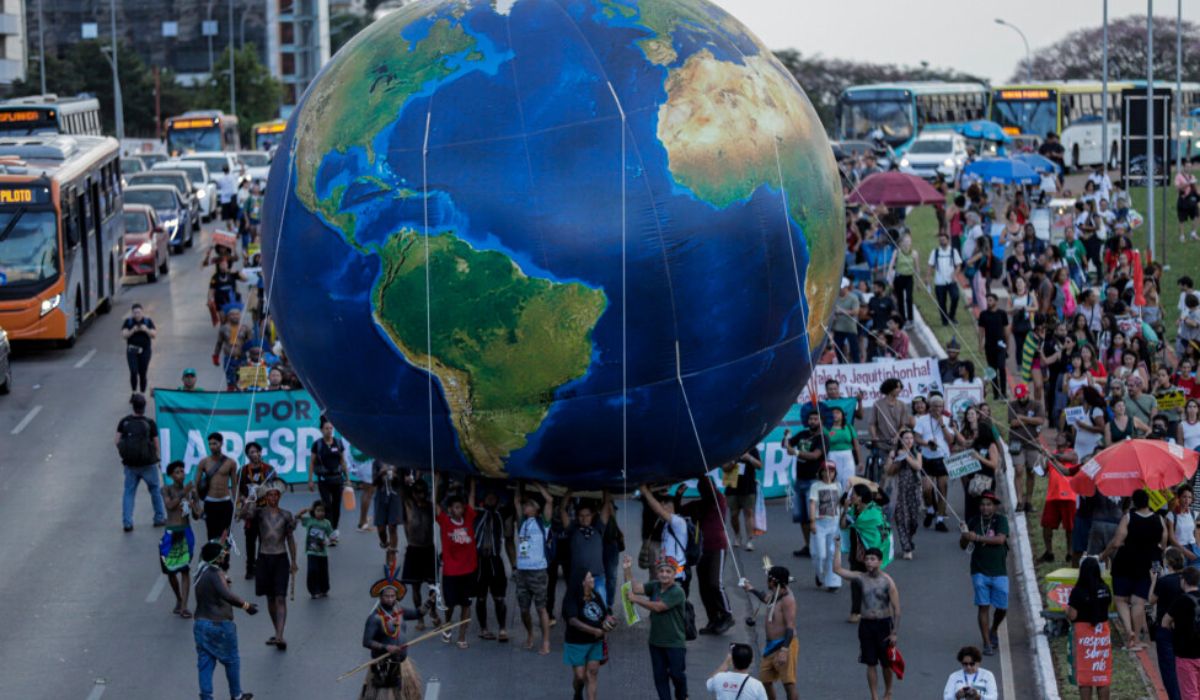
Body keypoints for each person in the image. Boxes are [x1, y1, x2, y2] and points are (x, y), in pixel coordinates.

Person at [1100, 489, 1167, 651]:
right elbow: (1163, 544)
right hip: (1147, 565)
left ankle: (1128, 631)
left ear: (1134, 503)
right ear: (1148, 502)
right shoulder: (1159, 519)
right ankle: (1136, 639)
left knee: (1120, 599)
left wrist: (1103, 555)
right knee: (1138, 602)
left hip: (1125, 562)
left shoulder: (1128, 517)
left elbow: (1117, 542)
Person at [833, 544, 901, 700]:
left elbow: (897, 609)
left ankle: (888, 692)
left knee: (886, 663)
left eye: (873, 559)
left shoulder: (887, 581)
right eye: (867, 559)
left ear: (880, 561)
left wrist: (894, 633)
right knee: (870, 662)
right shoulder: (860, 578)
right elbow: (837, 569)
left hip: (883, 624)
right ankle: (874, 696)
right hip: (866, 625)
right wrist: (837, 547)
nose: (869, 562)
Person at [192, 541, 257, 700]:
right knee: (232, 661)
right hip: (219, 625)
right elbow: (226, 595)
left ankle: (206, 696)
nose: (225, 557)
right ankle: (236, 695)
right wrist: (246, 605)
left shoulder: (201, 570)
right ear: (217, 558)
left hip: (200, 624)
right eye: (222, 555)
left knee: (205, 662)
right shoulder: (215, 574)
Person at [360, 564, 435, 700]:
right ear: (380, 597)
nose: (390, 599)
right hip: (383, 667)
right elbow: (367, 641)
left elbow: (418, 613)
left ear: (396, 596)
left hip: (402, 664)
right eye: (386, 596)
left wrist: (429, 602)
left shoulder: (399, 610)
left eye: (392, 596)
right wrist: (386, 647)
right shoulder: (374, 618)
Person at [623, 554, 688, 700]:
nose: (664, 574)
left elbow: (659, 607)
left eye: (668, 571)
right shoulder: (655, 586)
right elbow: (634, 588)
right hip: (656, 642)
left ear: (674, 574)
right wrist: (627, 569)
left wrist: (636, 599)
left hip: (674, 642)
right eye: (661, 571)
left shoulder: (677, 591)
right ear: (657, 573)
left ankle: (683, 696)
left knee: (677, 675)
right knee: (660, 678)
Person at [250, 479, 297, 650]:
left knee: (280, 597)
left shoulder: (286, 515)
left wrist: (294, 561)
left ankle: (279, 635)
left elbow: (290, 538)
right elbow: (245, 514)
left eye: (276, 495)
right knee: (270, 598)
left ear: (279, 497)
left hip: (280, 558)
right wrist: (252, 497)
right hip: (264, 558)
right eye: (270, 495)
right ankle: (277, 631)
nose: (273, 498)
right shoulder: (260, 513)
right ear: (266, 497)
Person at [960, 492, 1009, 656]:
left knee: (1002, 607)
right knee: (983, 606)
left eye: (989, 504)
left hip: (999, 570)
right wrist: (965, 536)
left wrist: (977, 538)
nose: (985, 507)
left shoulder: (1001, 520)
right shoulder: (973, 521)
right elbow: (963, 545)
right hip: (979, 570)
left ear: (994, 506)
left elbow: (1000, 540)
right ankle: (987, 643)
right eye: (982, 504)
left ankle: (994, 629)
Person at [685, 477, 734, 634]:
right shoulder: (698, 505)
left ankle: (727, 615)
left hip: (717, 547)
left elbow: (710, 489)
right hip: (702, 549)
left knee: (715, 583)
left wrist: (700, 474)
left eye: (706, 487)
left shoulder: (719, 500)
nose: (704, 490)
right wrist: (678, 494)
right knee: (704, 587)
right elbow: (678, 509)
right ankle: (713, 618)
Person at [740, 567, 798, 700]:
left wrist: (784, 650)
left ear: (772, 581)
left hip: (784, 644)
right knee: (765, 680)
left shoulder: (788, 600)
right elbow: (766, 599)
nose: (766, 582)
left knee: (788, 683)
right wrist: (751, 589)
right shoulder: (776, 593)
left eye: (768, 579)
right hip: (771, 646)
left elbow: (790, 626)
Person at [436, 481, 477, 650]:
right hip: (451, 572)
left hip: (468, 570)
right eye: (455, 508)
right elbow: (436, 504)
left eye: (460, 507)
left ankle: (462, 635)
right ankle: (447, 626)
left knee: (466, 604)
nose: (459, 510)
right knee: (450, 604)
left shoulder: (469, 518)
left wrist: (472, 482)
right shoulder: (445, 521)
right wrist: (438, 481)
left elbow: (471, 498)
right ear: (450, 509)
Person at [116, 393, 165, 532]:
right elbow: (156, 443)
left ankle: (127, 522)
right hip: (148, 464)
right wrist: (158, 458)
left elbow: (117, 441)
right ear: (144, 407)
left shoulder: (124, 422)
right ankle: (159, 517)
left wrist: (126, 453)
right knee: (155, 490)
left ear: (133, 406)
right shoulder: (150, 423)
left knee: (129, 492)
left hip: (131, 465)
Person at [1066, 557, 1114, 700]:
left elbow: (1073, 615)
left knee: (1085, 676)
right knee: (1102, 676)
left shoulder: (1078, 591)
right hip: (1102, 637)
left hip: (1084, 639)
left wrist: (1066, 610)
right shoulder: (1105, 588)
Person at [515, 482, 554, 654]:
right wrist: (518, 483)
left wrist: (537, 485)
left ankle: (545, 641)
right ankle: (530, 634)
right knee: (524, 609)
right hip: (522, 571)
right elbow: (517, 501)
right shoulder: (522, 522)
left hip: (538, 571)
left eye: (529, 504)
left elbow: (549, 500)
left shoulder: (543, 523)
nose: (525, 506)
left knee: (541, 608)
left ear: (536, 508)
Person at [562, 570, 614, 700]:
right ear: (582, 582)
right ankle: (578, 693)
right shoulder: (572, 597)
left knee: (592, 673)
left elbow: (604, 615)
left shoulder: (595, 595)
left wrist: (609, 622)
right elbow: (573, 621)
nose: (592, 580)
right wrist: (594, 631)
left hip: (595, 643)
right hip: (576, 643)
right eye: (589, 578)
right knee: (580, 676)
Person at [398, 475, 439, 630]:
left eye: (423, 492)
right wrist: (401, 472)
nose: (421, 495)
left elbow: (437, 493)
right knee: (415, 587)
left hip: (428, 548)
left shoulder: (430, 506)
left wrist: (437, 478)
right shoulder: (408, 504)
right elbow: (401, 488)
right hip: (414, 549)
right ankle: (419, 617)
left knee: (433, 585)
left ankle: (433, 612)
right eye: (418, 492)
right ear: (413, 492)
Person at [473, 485, 511, 642]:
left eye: (494, 497)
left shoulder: (500, 514)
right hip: (479, 561)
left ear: (497, 501)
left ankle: (502, 629)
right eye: (488, 496)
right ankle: (483, 629)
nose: (491, 499)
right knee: (480, 598)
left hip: (495, 560)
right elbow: (470, 501)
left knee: (499, 598)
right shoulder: (476, 513)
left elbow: (514, 502)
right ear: (483, 498)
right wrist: (473, 483)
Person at [161, 460, 198, 618]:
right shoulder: (166, 489)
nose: (181, 474)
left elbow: (197, 515)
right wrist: (184, 493)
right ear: (171, 475)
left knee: (184, 569)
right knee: (171, 571)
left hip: (185, 531)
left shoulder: (189, 491)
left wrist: (194, 503)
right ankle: (179, 598)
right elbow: (169, 506)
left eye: (182, 471)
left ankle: (184, 606)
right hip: (171, 533)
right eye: (177, 472)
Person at [1151, 547, 1188, 700]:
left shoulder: (1164, 581)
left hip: (1165, 629)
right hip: (1185, 628)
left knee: (1169, 669)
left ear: (1167, 562)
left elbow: (1151, 600)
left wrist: (1154, 580)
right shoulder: (1188, 579)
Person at [915, 393, 954, 531]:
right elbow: (916, 438)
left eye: (940, 406)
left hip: (942, 457)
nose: (938, 409)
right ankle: (931, 510)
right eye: (935, 406)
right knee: (927, 489)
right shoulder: (922, 420)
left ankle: (940, 520)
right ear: (929, 407)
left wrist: (942, 424)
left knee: (942, 489)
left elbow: (950, 440)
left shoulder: (946, 419)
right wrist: (927, 443)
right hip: (927, 457)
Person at [307, 418, 349, 543]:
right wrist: (310, 480)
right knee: (327, 506)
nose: (329, 430)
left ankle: (335, 530)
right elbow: (312, 463)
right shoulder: (317, 444)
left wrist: (347, 478)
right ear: (321, 430)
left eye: (331, 428)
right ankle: (330, 533)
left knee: (337, 506)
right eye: (326, 428)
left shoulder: (338, 443)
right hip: (324, 480)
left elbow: (342, 461)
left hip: (337, 479)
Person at [639, 484, 689, 588]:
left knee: (660, 579)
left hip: (672, 565)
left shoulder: (677, 521)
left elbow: (661, 510)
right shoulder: (669, 522)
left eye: (665, 505)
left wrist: (646, 492)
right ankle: (656, 594)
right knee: (657, 577)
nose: (663, 506)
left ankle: (656, 594)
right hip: (658, 545)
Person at [1007, 382, 1046, 513]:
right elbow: (1013, 422)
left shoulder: (1037, 405)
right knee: (1018, 469)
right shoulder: (1012, 405)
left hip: (1032, 442)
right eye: (1019, 396)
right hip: (1016, 442)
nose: (1021, 398)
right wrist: (1031, 420)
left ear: (1028, 393)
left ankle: (1028, 501)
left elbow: (1041, 420)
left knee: (1031, 471)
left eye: (1023, 396)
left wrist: (1022, 418)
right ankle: (1019, 501)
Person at [1162, 567, 1200, 699]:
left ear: (1183, 580)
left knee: (1190, 694)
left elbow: (1164, 622)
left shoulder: (1181, 600)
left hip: (1185, 654)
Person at [888, 428, 923, 560]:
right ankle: (906, 548)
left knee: (913, 520)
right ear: (901, 440)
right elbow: (888, 471)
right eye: (906, 438)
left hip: (913, 490)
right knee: (902, 518)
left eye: (911, 438)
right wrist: (897, 459)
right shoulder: (894, 453)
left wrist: (906, 456)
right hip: (898, 490)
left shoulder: (916, 452)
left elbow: (918, 466)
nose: (909, 440)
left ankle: (909, 540)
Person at [197, 432, 238, 543]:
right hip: (210, 503)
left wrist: (237, 505)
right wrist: (197, 507)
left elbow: (234, 486)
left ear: (221, 444)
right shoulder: (204, 462)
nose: (212, 447)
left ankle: (225, 555)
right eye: (210, 444)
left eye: (214, 443)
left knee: (226, 536)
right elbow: (196, 485)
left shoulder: (231, 463)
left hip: (225, 503)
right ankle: (213, 554)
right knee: (212, 535)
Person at [809, 462, 843, 591]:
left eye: (832, 471)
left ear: (835, 473)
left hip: (834, 524)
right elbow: (812, 503)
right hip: (820, 524)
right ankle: (819, 574)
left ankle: (832, 582)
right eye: (826, 470)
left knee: (832, 552)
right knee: (820, 554)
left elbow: (841, 503)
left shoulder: (838, 486)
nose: (828, 473)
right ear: (821, 472)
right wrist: (812, 521)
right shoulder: (816, 486)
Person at [722, 449, 761, 551]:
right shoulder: (730, 449)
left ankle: (750, 540)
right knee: (734, 514)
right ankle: (737, 535)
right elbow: (724, 468)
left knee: (749, 513)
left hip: (748, 487)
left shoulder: (753, 449)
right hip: (732, 487)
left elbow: (759, 466)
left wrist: (749, 458)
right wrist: (733, 461)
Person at [296, 500, 333, 598]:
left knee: (323, 572)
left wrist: (328, 542)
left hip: (322, 553)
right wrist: (306, 510)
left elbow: (332, 536)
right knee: (312, 571)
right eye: (318, 510)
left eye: (322, 511)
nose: (320, 513)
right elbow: (297, 516)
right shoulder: (309, 521)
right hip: (311, 552)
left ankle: (324, 589)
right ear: (314, 511)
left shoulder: (326, 523)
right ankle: (314, 591)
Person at [977, 293, 1010, 400]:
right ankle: (996, 394)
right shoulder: (983, 314)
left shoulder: (1002, 314)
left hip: (1001, 345)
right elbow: (981, 331)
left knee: (1001, 367)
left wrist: (1007, 344)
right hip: (989, 346)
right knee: (992, 370)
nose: (988, 302)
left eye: (990, 300)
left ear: (996, 301)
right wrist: (980, 344)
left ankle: (1004, 393)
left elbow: (1006, 330)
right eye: (987, 300)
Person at [121, 303, 156, 396]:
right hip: (132, 351)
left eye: (139, 312)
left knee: (142, 373)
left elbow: (154, 335)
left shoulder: (148, 321)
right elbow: (124, 335)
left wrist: (146, 329)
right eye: (135, 313)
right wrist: (133, 330)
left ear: (142, 312)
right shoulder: (128, 322)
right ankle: (134, 392)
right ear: (132, 313)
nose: (137, 315)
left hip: (145, 351)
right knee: (133, 371)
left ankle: (142, 394)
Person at [928, 232, 962, 326]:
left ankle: (952, 316)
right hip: (939, 282)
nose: (942, 241)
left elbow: (958, 265)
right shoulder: (935, 252)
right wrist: (928, 277)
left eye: (943, 240)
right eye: (940, 240)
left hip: (951, 281)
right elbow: (930, 265)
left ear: (948, 240)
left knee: (955, 296)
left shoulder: (953, 251)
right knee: (941, 302)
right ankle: (944, 321)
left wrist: (954, 274)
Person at [371, 461, 404, 551]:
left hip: (394, 497)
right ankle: (385, 542)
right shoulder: (377, 462)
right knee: (381, 529)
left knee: (392, 527)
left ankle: (392, 554)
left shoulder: (398, 462)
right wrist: (381, 473)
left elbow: (403, 481)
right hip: (380, 497)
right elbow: (374, 482)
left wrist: (395, 475)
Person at [832, 278, 861, 363]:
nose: (840, 289)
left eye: (841, 288)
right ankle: (840, 364)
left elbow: (856, 311)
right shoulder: (834, 298)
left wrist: (841, 312)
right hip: (838, 328)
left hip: (850, 328)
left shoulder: (853, 298)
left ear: (846, 287)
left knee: (854, 349)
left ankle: (857, 364)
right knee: (838, 348)